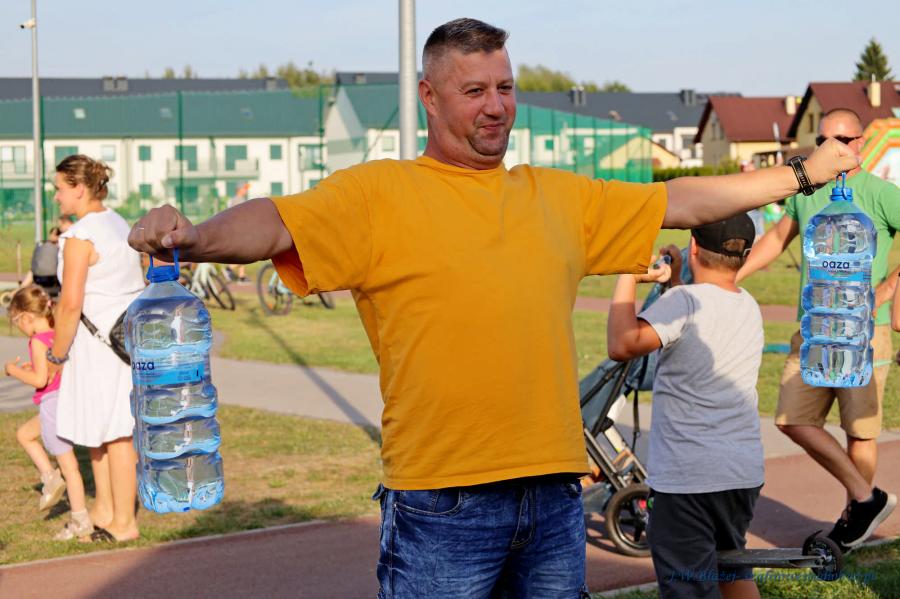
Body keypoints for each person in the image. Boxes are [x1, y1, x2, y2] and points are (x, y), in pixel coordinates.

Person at [129, 18, 858, 597]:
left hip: (553, 496)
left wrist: (800, 172)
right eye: (474, 89)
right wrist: (195, 237)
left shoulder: (556, 197)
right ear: (430, 96)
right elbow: (276, 223)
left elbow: (683, 200)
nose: (496, 105)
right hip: (441, 503)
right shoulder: (380, 194)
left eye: (505, 87)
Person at [737, 108, 900, 552]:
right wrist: (731, 278)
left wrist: (888, 288)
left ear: (861, 143)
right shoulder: (806, 191)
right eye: (824, 140)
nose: (832, 148)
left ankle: (852, 524)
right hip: (814, 329)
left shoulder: (880, 193)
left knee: (860, 432)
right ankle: (867, 500)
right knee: (792, 419)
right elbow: (776, 239)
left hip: (866, 332)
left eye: (842, 139)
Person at [607, 215, 764, 599]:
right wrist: (675, 280)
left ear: (693, 247)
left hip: (688, 480)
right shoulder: (747, 304)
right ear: (745, 256)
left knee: (688, 586)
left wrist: (626, 275)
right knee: (731, 569)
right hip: (740, 474)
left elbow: (622, 343)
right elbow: (695, 323)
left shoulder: (683, 302)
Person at [47, 155, 145, 543]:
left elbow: (70, 303)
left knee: (117, 434)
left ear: (79, 188)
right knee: (103, 430)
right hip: (123, 341)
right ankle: (104, 509)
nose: (56, 197)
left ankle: (124, 522)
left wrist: (55, 355)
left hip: (98, 347)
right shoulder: (118, 223)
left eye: (59, 188)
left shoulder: (80, 236)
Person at [5, 285, 92, 540]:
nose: (19, 328)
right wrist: (33, 369)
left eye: (16, 322)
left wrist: (13, 370)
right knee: (24, 434)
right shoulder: (57, 334)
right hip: (66, 399)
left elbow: (40, 380)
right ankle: (50, 478)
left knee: (70, 467)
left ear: (26, 317)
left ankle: (81, 522)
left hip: (53, 405)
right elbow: (50, 372)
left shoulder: (36, 341)